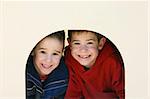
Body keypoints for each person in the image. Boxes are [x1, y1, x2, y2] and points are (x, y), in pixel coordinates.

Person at [64, 30, 125, 99]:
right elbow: (73, 92)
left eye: (89, 43)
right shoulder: (71, 60)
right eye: (77, 43)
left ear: (100, 44)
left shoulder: (112, 62)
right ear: (70, 44)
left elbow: (124, 93)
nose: (83, 50)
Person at [26, 30, 68, 99]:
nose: (48, 60)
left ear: (62, 54)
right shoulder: (23, 74)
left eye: (55, 54)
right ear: (33, 50)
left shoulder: (65, 78)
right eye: (43, 52)